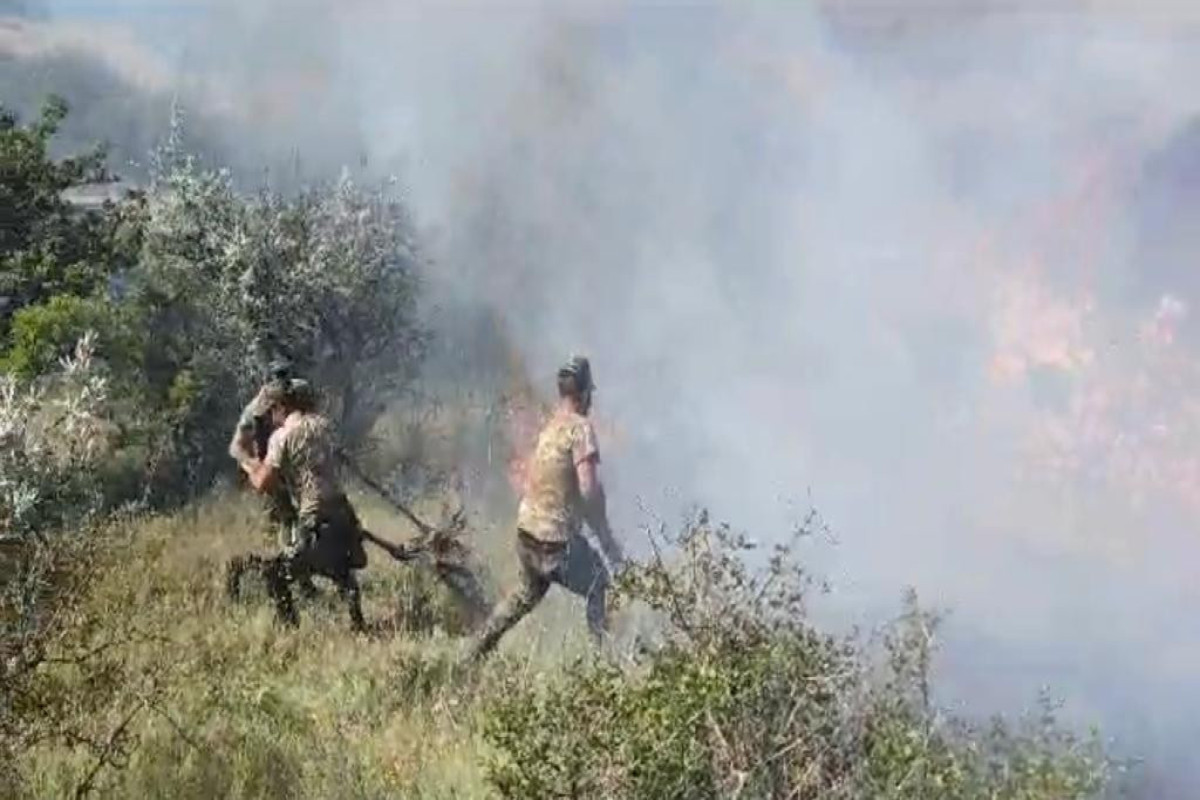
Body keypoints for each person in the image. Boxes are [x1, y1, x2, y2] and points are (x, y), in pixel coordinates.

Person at [466, 355, 625, 662]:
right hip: (554, 542)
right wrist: (606, 538)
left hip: (526, 535)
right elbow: (589, 490)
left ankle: (474, 652)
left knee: (525, 595)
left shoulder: (551, 427)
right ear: (585, 393)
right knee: (599, 585)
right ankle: (604, 670)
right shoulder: (581, 429)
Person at [233, 378, 369, 631]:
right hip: (344, 516)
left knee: (277, 574)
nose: (271, 417)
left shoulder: (282, 437)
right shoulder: (325, 426)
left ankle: (288, 630)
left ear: (281, 407)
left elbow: (263, 483)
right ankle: (358, 625)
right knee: (341, 572)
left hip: (314, 518)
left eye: (272, 410)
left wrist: (247, 461)